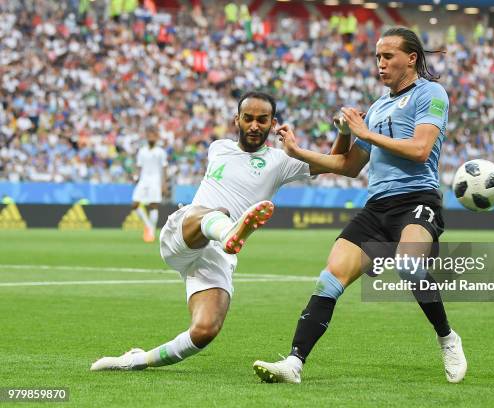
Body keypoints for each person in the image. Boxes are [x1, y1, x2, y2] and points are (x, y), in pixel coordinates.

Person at [253, 27, 467, 384]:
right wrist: (300, 149)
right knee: (329, 278)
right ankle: (294, 363)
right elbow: (349, 166)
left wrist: (365, 132)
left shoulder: (431, 94)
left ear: (411, 58)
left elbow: (420, 150)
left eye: (388, 56)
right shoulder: (378, 106)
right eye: (377, 57)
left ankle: (447, 338)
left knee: (410, 265)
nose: (380, 64)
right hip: (376, 207)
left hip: (417, 199)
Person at [91, 92, 319, 371]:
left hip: (218, 254)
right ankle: (230, 231)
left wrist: (338, 134)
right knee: (212, 213)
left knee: (205, 330)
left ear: (274, 124)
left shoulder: (282, 161)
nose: (254, 126)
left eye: (262, 120)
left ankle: (136, 360)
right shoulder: (218, 147)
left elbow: (340, 163)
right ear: (237, 119)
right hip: (187, 230)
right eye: (248, 118)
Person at [130, 130, 168, 243]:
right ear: (147, 137)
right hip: (143, 180)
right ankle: (149, 226)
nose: (151, 138)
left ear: (156, 137)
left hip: (155, 181)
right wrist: (136, 177)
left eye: (153, 136)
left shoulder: (160, 152)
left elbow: (164, 167)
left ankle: (150, 232)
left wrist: (164, 184)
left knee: (153, 205)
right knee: (135, 204)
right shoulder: (142, 151)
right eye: (149, 136)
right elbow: (139, 166)